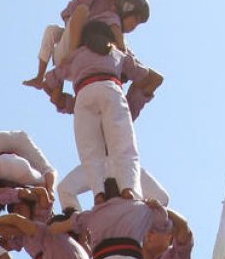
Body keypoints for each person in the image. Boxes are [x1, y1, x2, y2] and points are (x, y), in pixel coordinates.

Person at [42, 21, 163, 205]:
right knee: (124, 146)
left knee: (89, 151)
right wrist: (123, 50)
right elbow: (150, 77)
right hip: (110, 88)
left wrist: (57, 92)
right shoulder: (116, 53)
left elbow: (49, 82)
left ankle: (99, 193)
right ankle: (128, 189)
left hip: (83, 93)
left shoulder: (76, 56)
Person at [24, 0, 134, 88]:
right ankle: (41, 76)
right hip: (75, 46)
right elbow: (69, 15)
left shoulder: (124, 3)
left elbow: (123, 28)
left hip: (101, 49)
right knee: (52, 29)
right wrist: (80, 32)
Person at [0, 131, 58, 200]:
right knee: (47, 172)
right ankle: (50, 192)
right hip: (20, 138)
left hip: (4, 151)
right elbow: (49, 172)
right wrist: (49, 192)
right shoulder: (24, 179)